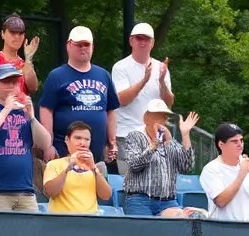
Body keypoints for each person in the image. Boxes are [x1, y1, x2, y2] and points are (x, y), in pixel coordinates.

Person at [0, 63, 50, 211]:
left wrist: (32, 117)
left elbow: (45, 144)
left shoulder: (23, 111)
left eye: (15, 81)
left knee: (29, 234)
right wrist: (6, 109)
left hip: (25, 191)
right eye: (6, 81)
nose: (11, 86)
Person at [39, 26, 118, 163]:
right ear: (69, 45)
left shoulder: (103, 75)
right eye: (78, 44)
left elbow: (110, 110)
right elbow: (46, 109)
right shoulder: (57, 75)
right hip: (64, 153)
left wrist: (112, 142)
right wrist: (48, 145)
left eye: (86, 44)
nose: (83, 48)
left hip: (96, 154)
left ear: (92, 46)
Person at [111, 23, 173, 174]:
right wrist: (145, 80)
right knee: (129, 180)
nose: (142, 42)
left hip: (154, 135)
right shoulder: (121, 67)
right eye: (139, 38)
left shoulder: (161, 68)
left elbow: (169, 104)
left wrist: (161, 82)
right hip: (127, 134)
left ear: (152, 43)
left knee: (155, 180)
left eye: (147, 39)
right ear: (131, 41)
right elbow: (121, 100)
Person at [120, 100, 196, 217]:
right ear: (147, 118)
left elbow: (186, 166)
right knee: (145, 232)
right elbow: (134, 165)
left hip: (167, 201)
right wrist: (154, 145)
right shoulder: (135, 136)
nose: (163, 120)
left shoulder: (169, 140)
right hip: (139, 200)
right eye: (158, 116)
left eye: (164, 117)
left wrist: (185, 135)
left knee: (184, 219)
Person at [199, 123, 249, 222]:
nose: (240, 144)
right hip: (227, 226)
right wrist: (241, 175)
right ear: (221, 144)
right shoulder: (211, 169)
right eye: (234, 141)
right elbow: (221, 202)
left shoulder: (245, 163)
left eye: (241, 140)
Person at [42, 120, 112, 213]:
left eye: (87, 139)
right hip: (62, 220)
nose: (82, 143)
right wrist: (69, 167)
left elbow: (106, 196)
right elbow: (50, 192)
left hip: (90, 220)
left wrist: (94, 169)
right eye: (78, 138)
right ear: (67, 139)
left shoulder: (94, 167)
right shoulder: (54, 164)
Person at [0, 15, 39, 97]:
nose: (17, 37)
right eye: (12, 32)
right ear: (3, 34)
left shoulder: (24, 64)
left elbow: (33, 88)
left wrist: (28, 60)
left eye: (20, 33)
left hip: (20, 108)